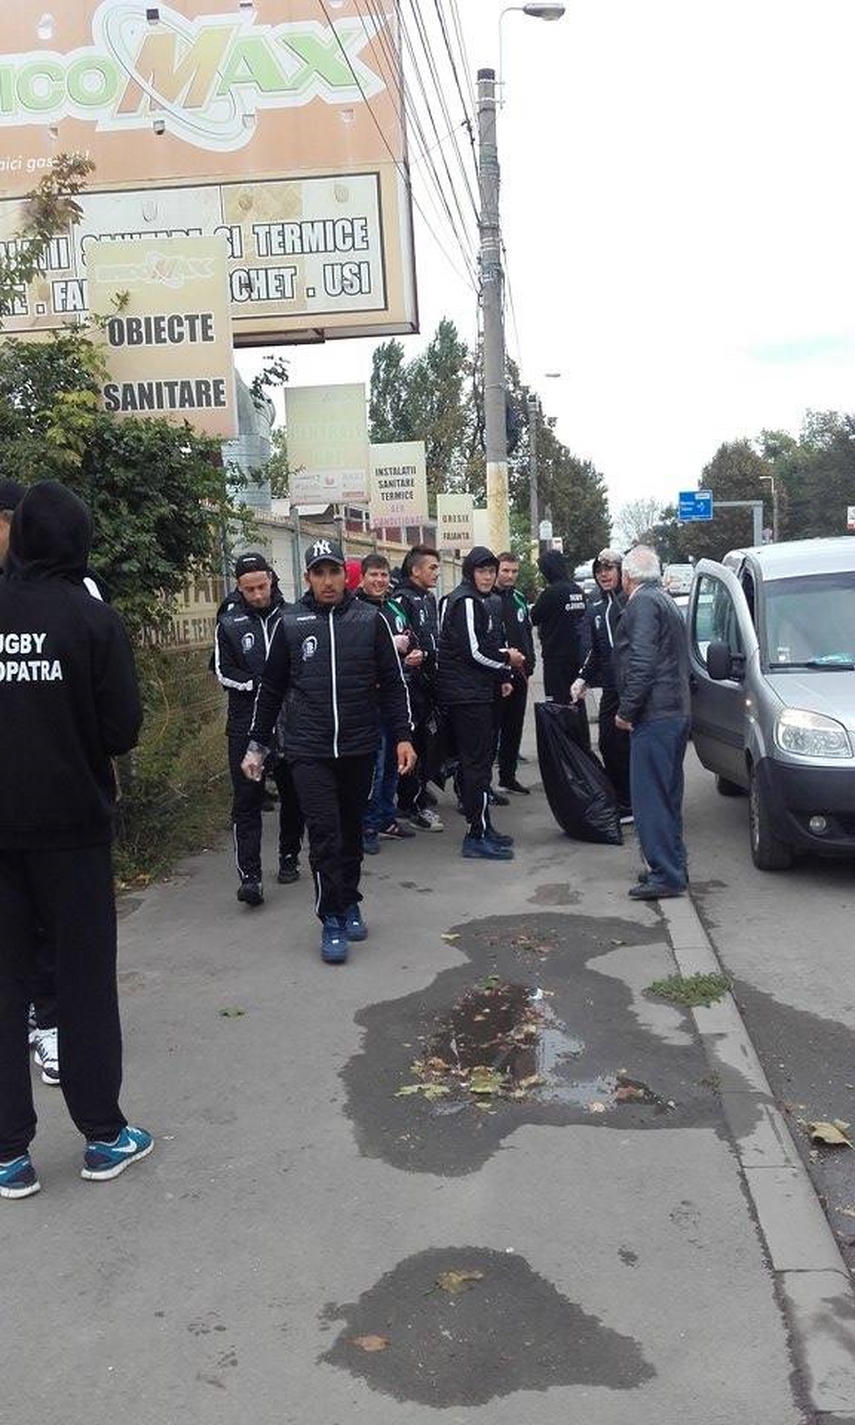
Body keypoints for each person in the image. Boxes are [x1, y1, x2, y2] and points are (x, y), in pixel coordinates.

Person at [0, 481, 152, 1199]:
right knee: (85, 983)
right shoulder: (93, 621)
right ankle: (102, 1136)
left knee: (4, 984)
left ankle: (8, 1155)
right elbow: (121, 729)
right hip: (74, 833)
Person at [242, 539, 416, 964]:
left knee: (353, 832)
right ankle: (331, 918)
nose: (327, 581)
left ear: (345, 574)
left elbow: (393, 685)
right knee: (324, 834)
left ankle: (350, 899)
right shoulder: (291, 622)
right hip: (309, 749)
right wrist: (256, 745)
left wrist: (403, 736)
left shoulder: (370, 620)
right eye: (318, 573)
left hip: (358, 746)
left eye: (333, 571)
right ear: (308, 578)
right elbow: (271, 689)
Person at [214, 552, 304, 906]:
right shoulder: (229, 623)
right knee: (247, 800)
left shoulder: (294, 617)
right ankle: (249, 877)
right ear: (239, 587)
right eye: (249, 589)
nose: (256, 594)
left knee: (293, 794)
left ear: (271, 580)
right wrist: (261, 686)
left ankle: (288, 856)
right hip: (245, 725)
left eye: (262, 586)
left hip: (291, 723)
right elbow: (223, 672)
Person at [437, 547, 526, 860]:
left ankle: (485, 827)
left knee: (481, 764)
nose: (488, 576)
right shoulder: (466, 602)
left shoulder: (480, 600)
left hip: (476, 691)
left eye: (492, 571)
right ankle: (476, 833)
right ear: (470, 572)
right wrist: (507, 661)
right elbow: (473, 652)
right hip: (466, 696)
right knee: (476, 766)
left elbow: (485, 644)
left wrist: (500, 675)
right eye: (482, 571)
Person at [613, 545, 691, 900]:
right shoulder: (666, 600)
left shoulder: (642, 603)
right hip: (675, 711)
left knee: (651, 799)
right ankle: (673, 866)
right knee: (668, 795)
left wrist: (627, 710)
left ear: (628, 577)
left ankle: (665, 873)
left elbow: (642, 662)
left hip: (655, 715)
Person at [355, 553, 417, 851]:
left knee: (395, 762)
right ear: (362, 578)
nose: (379, 581)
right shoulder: (354, 610)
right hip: (368, 701)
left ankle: (386, 818)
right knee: (374, 767)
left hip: (397, 694)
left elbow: (411, 639)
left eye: (383, 576)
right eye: (373, 575)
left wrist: (416, 653)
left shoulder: (395, 607)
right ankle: (366, 825)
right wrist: (388, 645)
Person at [571, 548, 632, 818]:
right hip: (611, 687)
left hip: (632, 687)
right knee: (608, 743)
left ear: (622, 571)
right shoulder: (596, 606)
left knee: (630, 745)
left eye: (609, 569)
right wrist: (582, 678)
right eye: (599, 570)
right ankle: (622, 797)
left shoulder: (630, 602)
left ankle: (633, 800)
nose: (604, 574)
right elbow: (596, 650)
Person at [394, 545, 444, 831]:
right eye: (432, 567)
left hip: (429, 682)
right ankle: (410, 804)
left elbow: (433, 640)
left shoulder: (428, 598)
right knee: (411, 742)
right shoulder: (402, 598)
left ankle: (418, 791)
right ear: (415, 570)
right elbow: (406, 642)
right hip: (411, 684)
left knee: (428, 742)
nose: (436, 573)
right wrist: (419, 656)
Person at [531, 550, 591, 749]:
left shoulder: (551, 593)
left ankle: (565, 747)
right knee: (577, 701)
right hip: (577, 656)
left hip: (556, 657)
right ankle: (582, 744)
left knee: (558, 704)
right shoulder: (576, 590)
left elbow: (534, 616)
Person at [495, 552, 536, 794]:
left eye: (514, 571)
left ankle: (507, 777)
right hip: (497, 674)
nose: (510, 575)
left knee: (514, 728)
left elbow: (527, 633)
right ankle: (481, 789)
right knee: (491, 732)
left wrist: (529, 664)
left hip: (520, 674)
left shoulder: (520, 599)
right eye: (505, 571)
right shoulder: (488, 599)